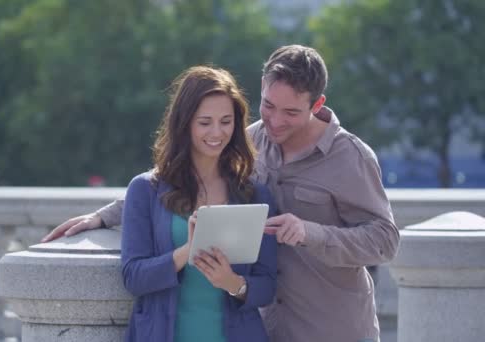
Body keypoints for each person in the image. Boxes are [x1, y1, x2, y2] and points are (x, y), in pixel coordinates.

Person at [42, 45, 399, 342]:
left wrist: (311, 232)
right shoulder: (253, 139)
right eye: (268, 106)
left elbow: (386, 240)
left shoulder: (350, 157)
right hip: (266, 325)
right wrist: (104, 216)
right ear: (262, 87)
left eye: (290, 112)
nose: (274, 121)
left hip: (332, 327)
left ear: (316, 105)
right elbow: (178, 178)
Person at [118, 66, 277, 341]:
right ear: (185, 122)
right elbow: (133, 278)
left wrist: (234, 284)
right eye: (205, 122)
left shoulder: (255, 195)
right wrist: (189, 251)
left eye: (226, 121)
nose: (217, 132)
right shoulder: (145, 190)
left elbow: (267, 286)